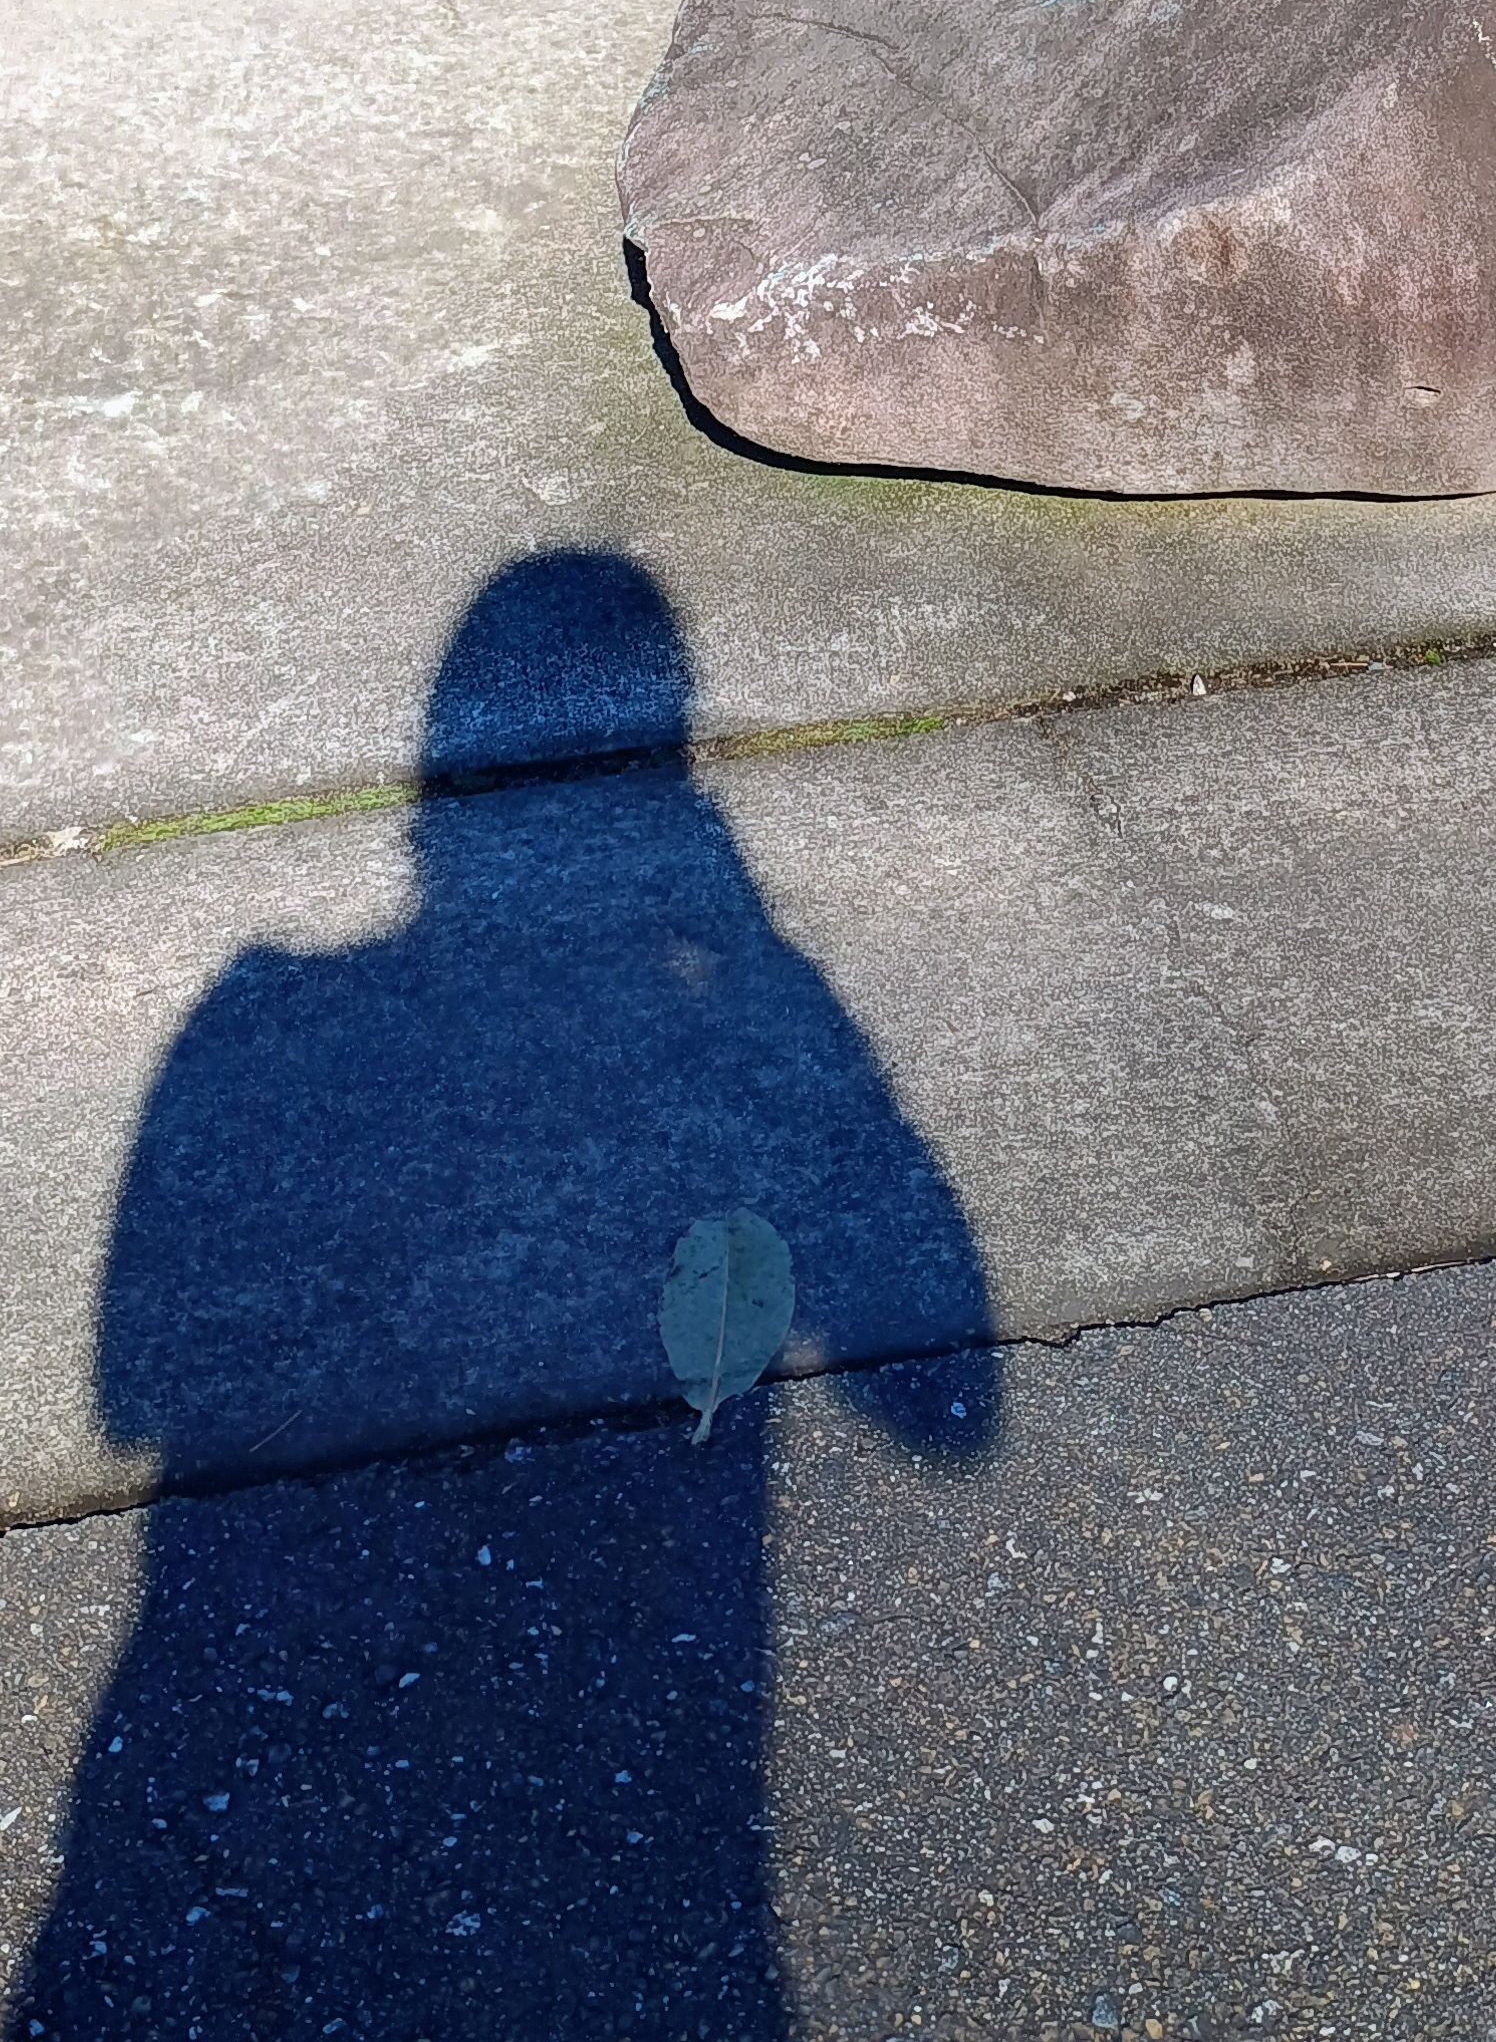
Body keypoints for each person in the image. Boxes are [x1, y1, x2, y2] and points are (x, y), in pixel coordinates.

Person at [12, 551, 998, 2039]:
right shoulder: (292, 1021)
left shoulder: (258, 1022)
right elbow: (943, 1400)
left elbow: (132, 1385)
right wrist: (756, 955)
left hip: (227, 1710)